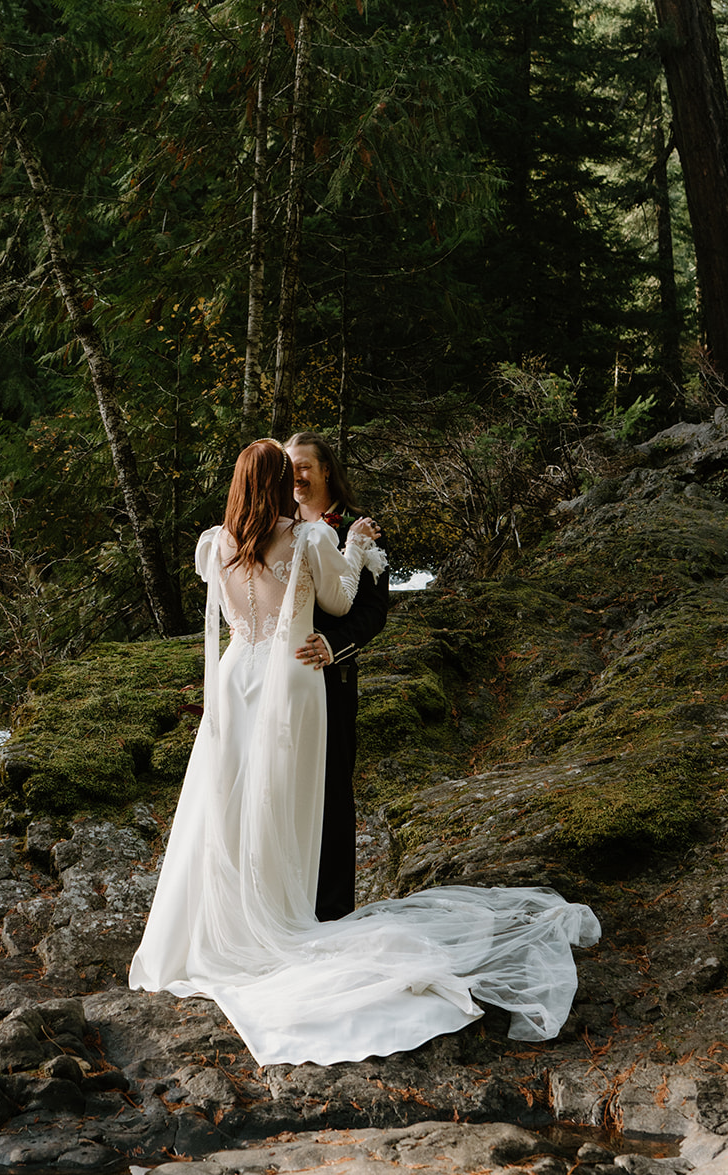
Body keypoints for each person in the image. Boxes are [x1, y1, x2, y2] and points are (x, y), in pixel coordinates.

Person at [129, 438, 600, 1069]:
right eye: (287, 472)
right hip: (290, 682)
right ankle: (288, 914)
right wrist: (352, 549)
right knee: (286, 801)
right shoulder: (308, 540)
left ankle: (227, 918)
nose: (298, 480)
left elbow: (249, 605)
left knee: (232, 798)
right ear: (275, 483)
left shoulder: (214, 543)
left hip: (237, 679)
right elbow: (342, 601)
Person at [285, 432, 389, 921]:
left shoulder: (358, 529)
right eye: (289, 467)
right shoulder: (277, 528)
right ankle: (288, 903)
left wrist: (332, 646)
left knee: (330, 794)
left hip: (331, 681)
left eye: (305, 466)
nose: (297, 476)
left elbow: (373, 613)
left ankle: (331, 912)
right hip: (281, 686)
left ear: (327, 471)